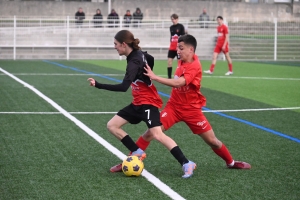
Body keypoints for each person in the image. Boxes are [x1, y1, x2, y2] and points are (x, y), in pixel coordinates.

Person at [110, 34, 251, 174]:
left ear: (191, 50)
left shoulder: (194, 65)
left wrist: (154, 77)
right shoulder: (181, 59)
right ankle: (130, 161)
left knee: (213, 141)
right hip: (173, 107)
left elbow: (178, 83)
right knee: (150, 133)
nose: (178, 51)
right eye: (178, 47)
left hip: (192, 110)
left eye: (181, 48)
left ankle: (231, 162)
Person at [87, 30, 196, 178]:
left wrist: (98, 85)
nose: (115, 47)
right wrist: (147, 72)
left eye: (116, 44)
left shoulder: (134, 62)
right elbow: (150, 58)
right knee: (112, 125)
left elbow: (123, 87)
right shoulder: (139, 54)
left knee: (157, 134)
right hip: (137, 103)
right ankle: (137, 152)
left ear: (124, 44)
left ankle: (186, 163)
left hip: (149, 103)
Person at [167, 13, 186, 79]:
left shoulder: (181, 26)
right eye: (172, 19)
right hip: (172, 47)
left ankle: (180, 76)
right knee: (169, 62)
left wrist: (180, 47)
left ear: (177, 19)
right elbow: (171, 37)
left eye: (174, 19)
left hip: (178, 48)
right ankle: (169, 78)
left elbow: (183, 37)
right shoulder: (171, 27)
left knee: (179, 63)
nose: (173, 20)